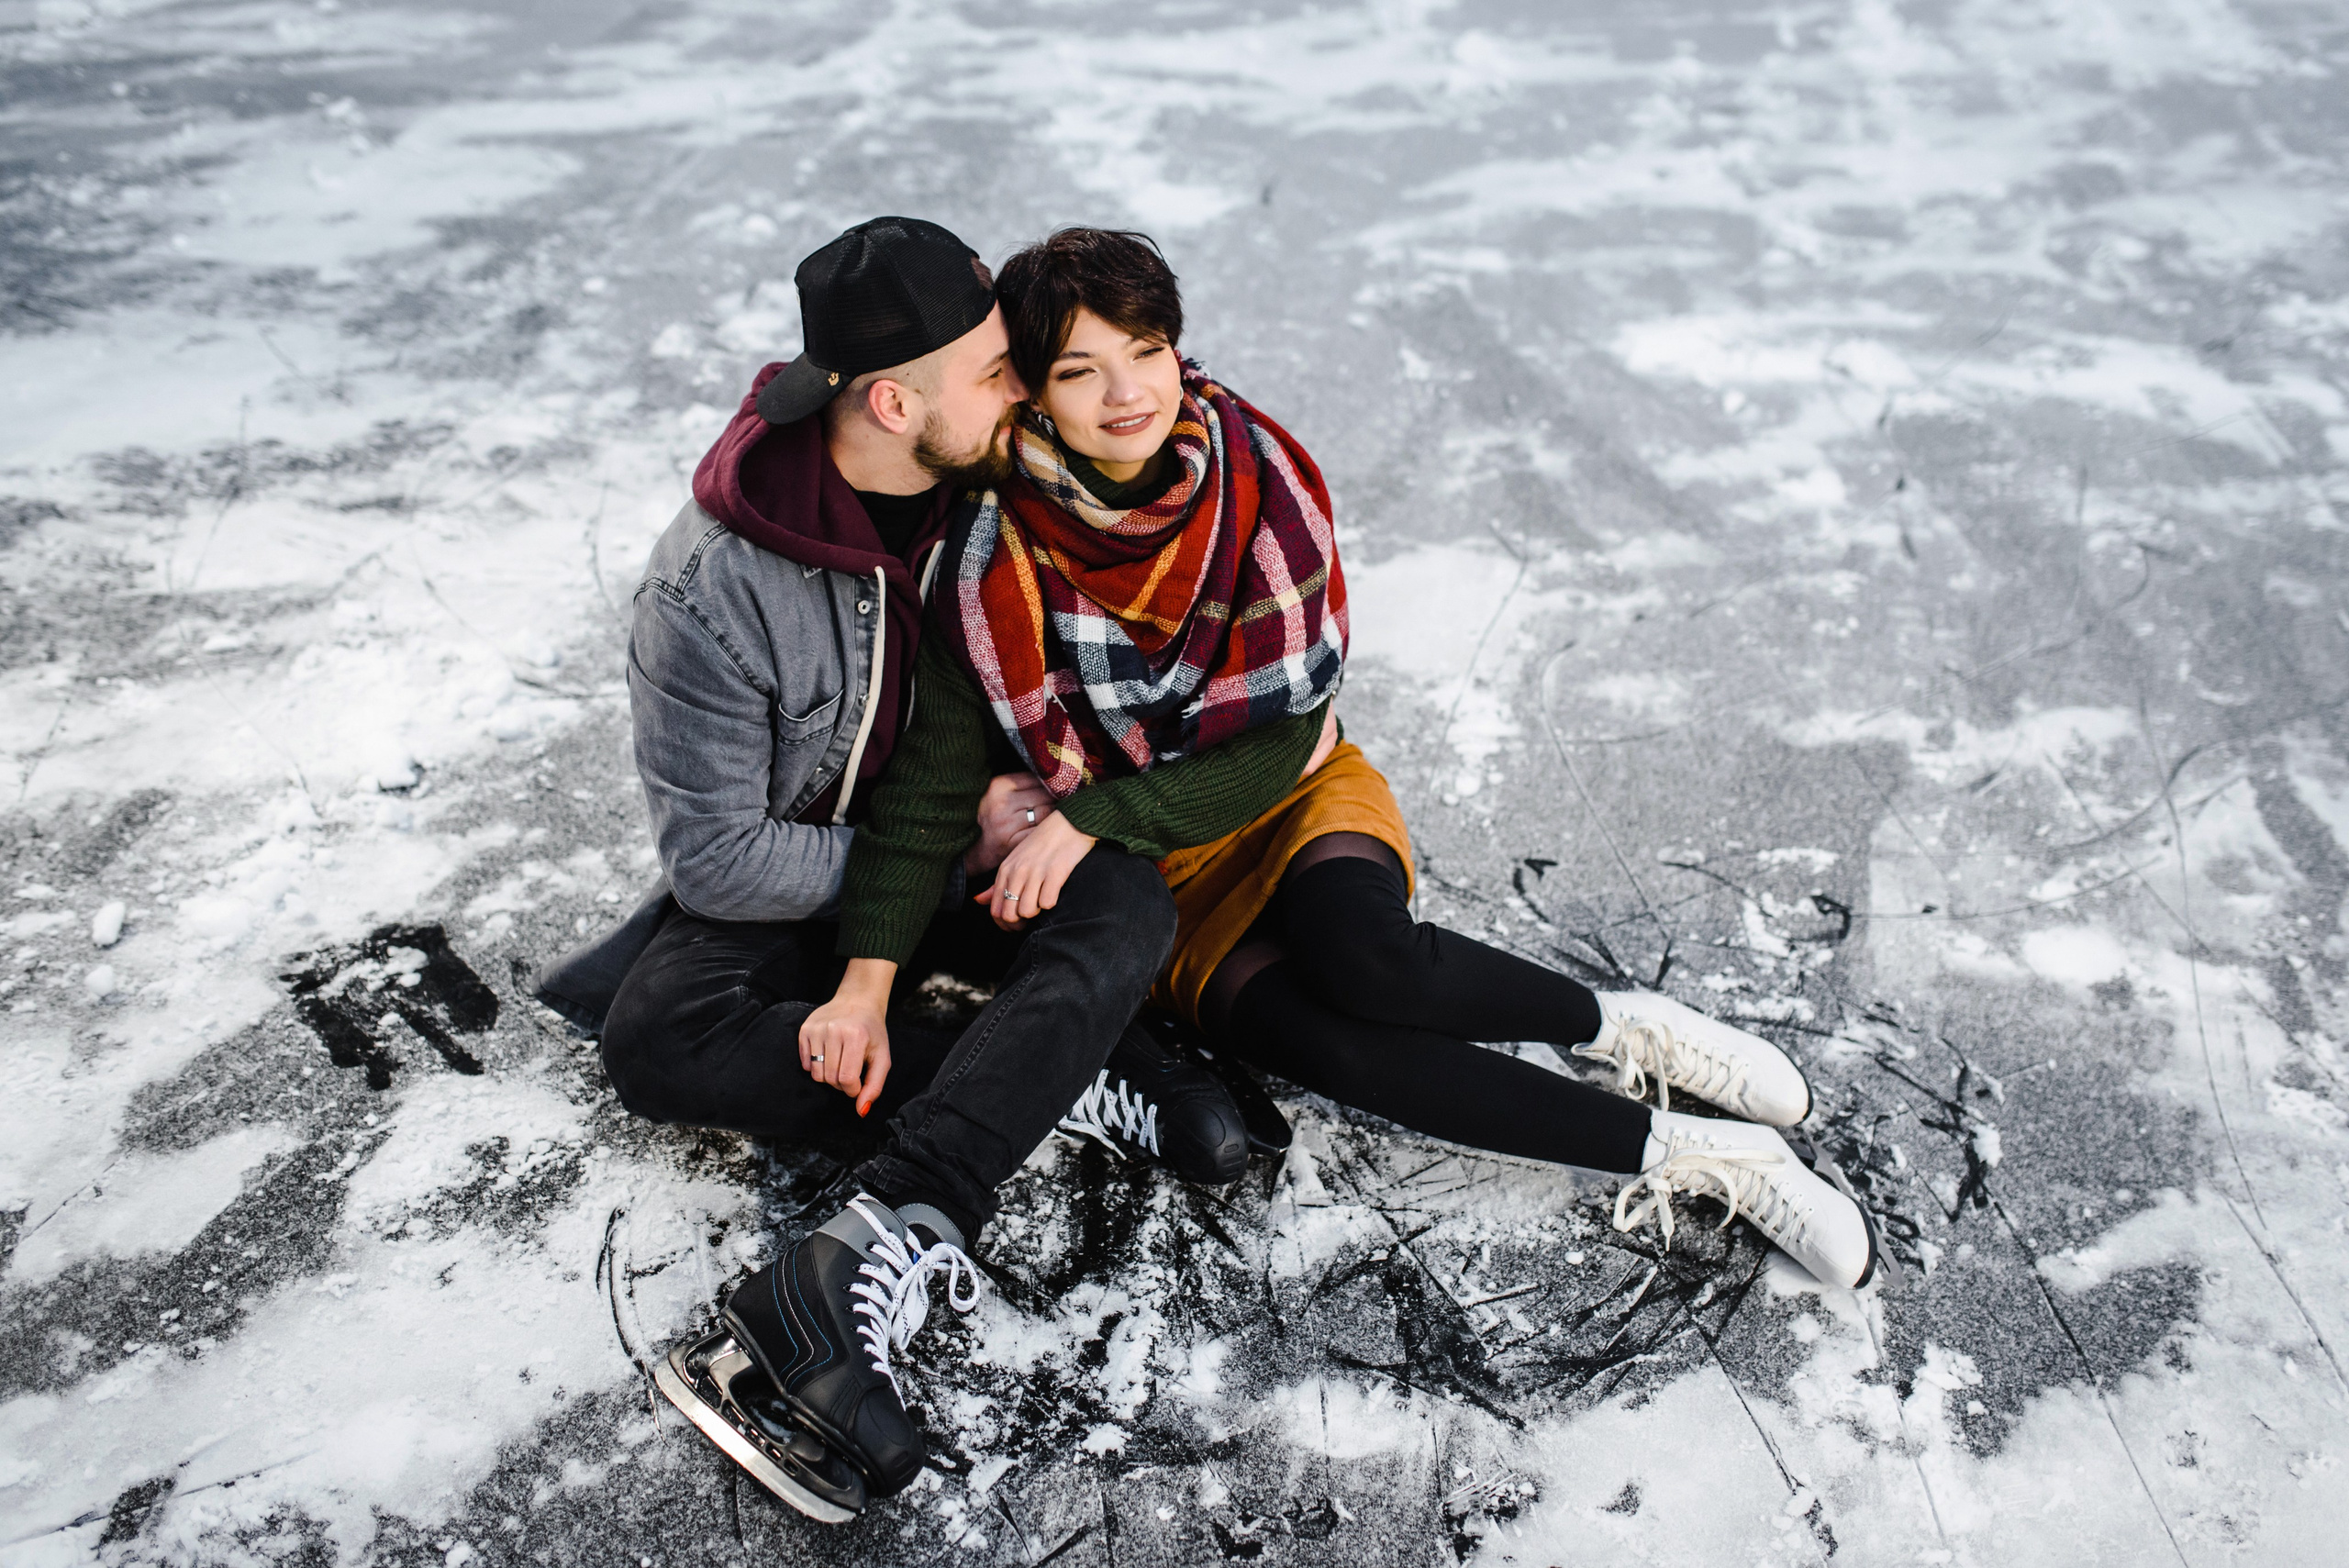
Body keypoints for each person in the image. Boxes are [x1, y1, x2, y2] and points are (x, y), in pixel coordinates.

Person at [822, 226, 1881, 1373]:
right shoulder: (986, 557)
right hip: (1169, 881)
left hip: (1281, 793)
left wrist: (1091, 816)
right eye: (1080, 369)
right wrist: (866, 982)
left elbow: (1284, 740)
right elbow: (924, 793)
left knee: (1363, 958)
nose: (1128, 391)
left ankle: (1623, 1026)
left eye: (1147, 349)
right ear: (1033, 391)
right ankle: (1703, 1157)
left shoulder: (1257, 481)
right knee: (1329, 1044)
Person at [527, 218, 1262, 1522]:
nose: (1023, 387)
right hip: (818, 874)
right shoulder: (705, 594)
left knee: (1121, 901)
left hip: (973, 856)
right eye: (993, 370)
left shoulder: (1000, 469)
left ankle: (904, 1199)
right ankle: (1047, 1086)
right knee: (657, 1038)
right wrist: (926, 860)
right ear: (889, 399)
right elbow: (723, 862)